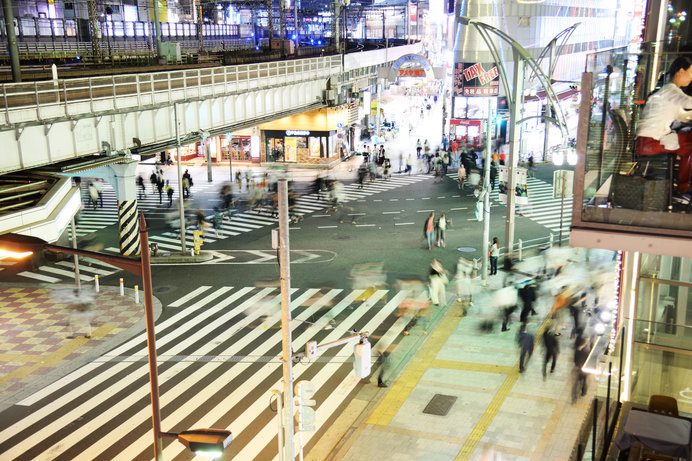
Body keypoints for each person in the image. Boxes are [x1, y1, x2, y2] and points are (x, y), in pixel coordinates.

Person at [635, 56, 692, 203]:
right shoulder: (671, 92)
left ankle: (683, 189)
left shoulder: (668, 91)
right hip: (649, 142)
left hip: (649, 141)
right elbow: (687, 102)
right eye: (690, 74)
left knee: (688, 144)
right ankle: (683, 190)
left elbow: (682, 115)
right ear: (680, 72)